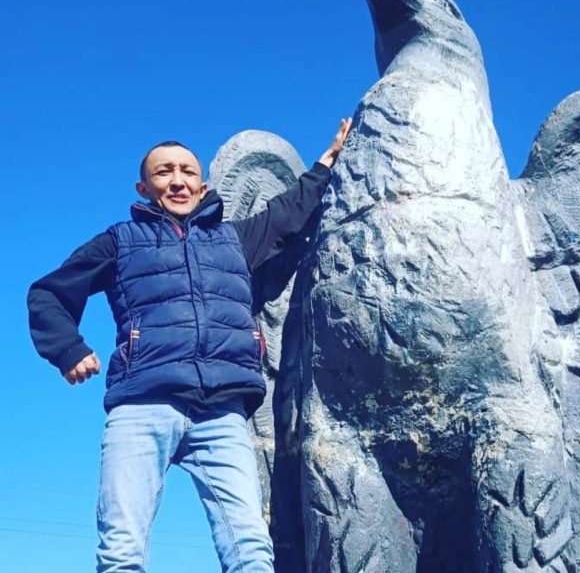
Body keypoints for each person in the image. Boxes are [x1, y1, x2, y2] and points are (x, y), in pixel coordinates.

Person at [27, 117, 352, 572]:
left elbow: (288, 212)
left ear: (203, 187)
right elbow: (48, 293)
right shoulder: (120, 242)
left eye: (187, 171)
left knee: (251, 550)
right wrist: (68, 349)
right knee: (121, 551)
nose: (177, 180)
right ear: (143, 188)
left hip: (222, 413)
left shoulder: (236, 239)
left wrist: (327, 161)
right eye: (164, 172)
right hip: (142, 407)